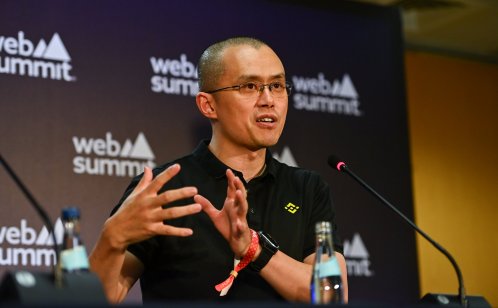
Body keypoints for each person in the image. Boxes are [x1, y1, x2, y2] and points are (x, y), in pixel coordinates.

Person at [89, 37, 348, 304]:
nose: (269, 99)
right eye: (250, 86)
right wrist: (112, 239)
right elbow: (97, 299)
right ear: (208, 105)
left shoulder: (307, 188)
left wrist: (253, 248)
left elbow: (331, 295)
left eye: (277, 85)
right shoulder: (164, 189)